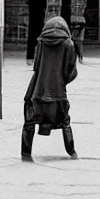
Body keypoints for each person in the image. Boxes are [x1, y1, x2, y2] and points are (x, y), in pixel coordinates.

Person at [21, 15, 79, 161]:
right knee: (65, 121)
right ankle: (72, 151)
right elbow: (70, 71)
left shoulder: (41, 43)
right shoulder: (68, 44)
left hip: (37, 89)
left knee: (30, 122)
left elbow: (36, 65)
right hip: (57, 91)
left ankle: (26, 153)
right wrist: (61, 81)